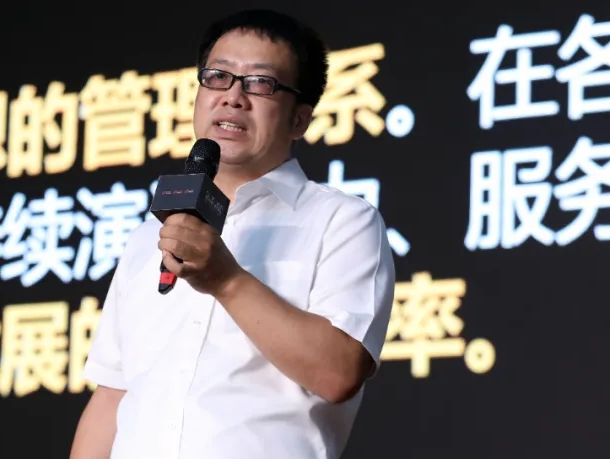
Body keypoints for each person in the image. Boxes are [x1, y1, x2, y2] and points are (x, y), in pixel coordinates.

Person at [69, 9, 396, 459]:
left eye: (260, 83)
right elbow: (113, 396)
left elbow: (338, 373)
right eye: (218, 77)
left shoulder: (342, 221)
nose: (233, 97)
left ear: (300, 120)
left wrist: (226, 280)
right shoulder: (150, 235)